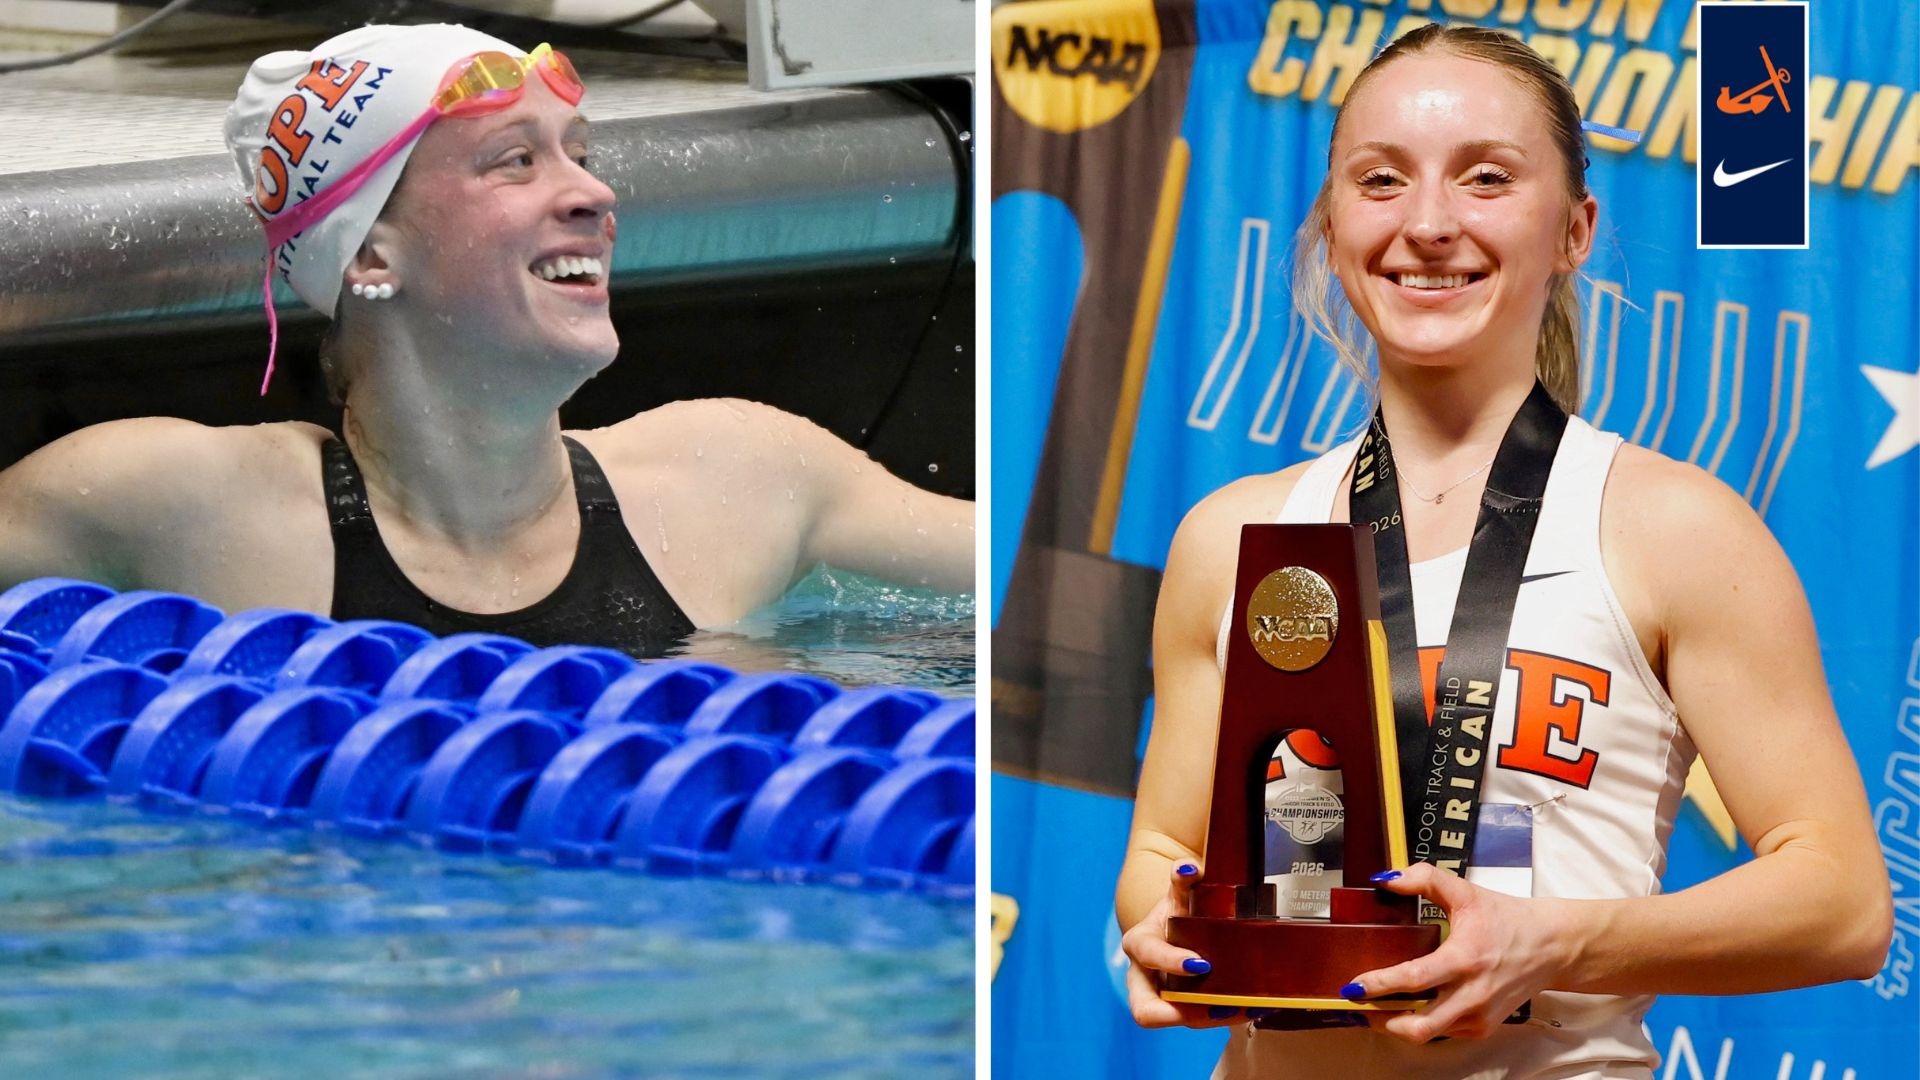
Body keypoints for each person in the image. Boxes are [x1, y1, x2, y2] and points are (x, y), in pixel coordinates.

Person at [1116, 24, 1890, 1079]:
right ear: (1333, 226)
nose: (1428, 224)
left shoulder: (1675, 529)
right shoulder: (1238, 536)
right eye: (1380, 181)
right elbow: (1165, 852)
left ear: (1574, 230)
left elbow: (1843, 902)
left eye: (1486, 179)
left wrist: (1551, 942)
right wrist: (1171, 934)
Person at [0, 24, 972, 658]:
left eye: (582, 155)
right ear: (369, 255)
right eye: (516, 163)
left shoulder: (746, 478)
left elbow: (1064, 585)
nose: (595, 194)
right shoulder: (188, 513)